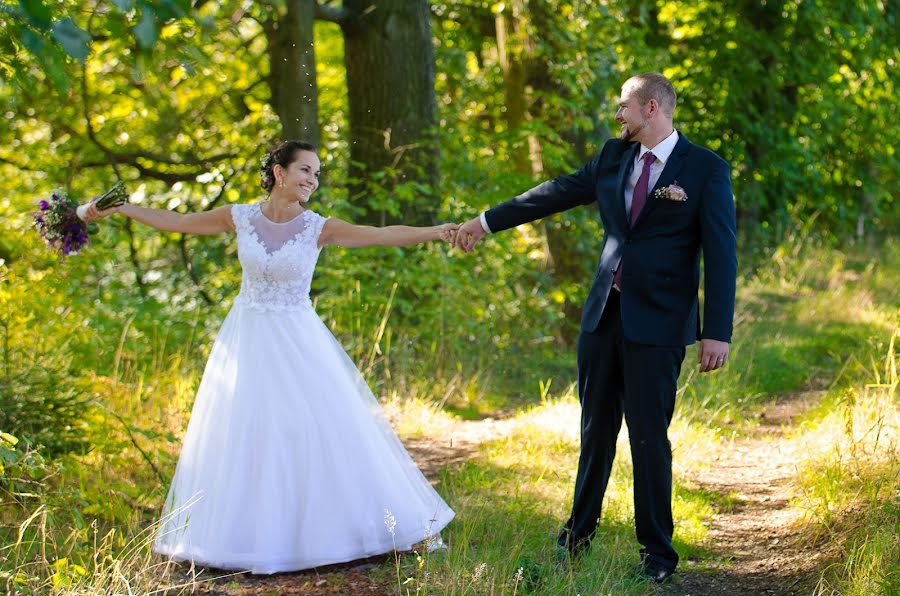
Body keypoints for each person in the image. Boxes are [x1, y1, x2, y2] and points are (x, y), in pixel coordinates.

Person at [83, 140, 457, 574]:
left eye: (316, 174)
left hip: (299, 340)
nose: (312, 180)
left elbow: (381, 236)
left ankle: (336, 528)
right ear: (279, 172)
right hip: (247, 337)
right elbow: (179, 222)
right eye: (305, 170)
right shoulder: (238, 216)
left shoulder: (319, 227)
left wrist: (437, 231)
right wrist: (121, 209)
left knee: (314, 427)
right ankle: (246, 536)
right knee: (246, 431)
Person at [453, 73, 737, 583]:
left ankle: (657, 554)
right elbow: (555, 193)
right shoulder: (613, 156)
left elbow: (721, 251)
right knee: (593, 432)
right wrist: (486, 221)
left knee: (649, 437)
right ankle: (577, 538)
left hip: (660, 324)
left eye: (623, 107)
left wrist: (717, 330)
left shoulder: (706, 169)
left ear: (651, 107)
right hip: (604, 316)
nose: (617, 117)